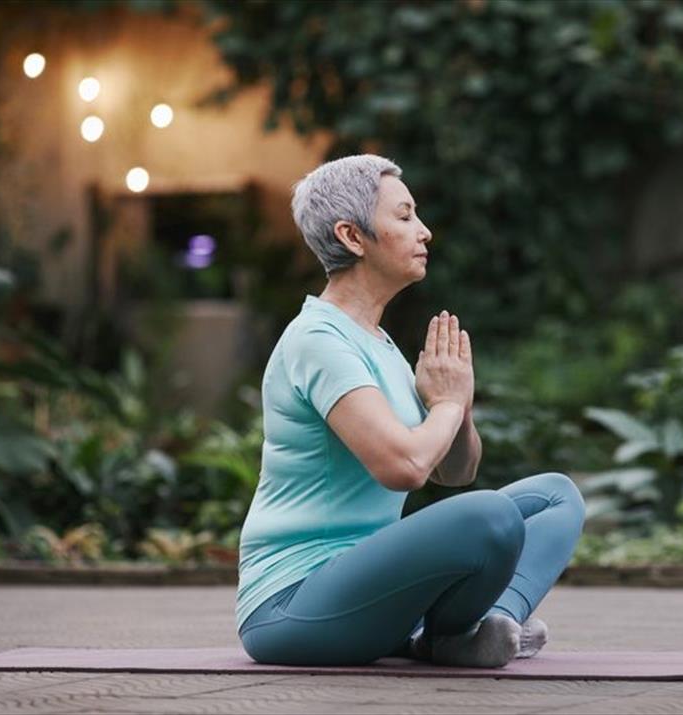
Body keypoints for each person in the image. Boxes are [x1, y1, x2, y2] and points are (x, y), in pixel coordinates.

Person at [235, 154, 587, 668]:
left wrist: (458, 404)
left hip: (368, 592)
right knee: (490, 515)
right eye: (404, 217)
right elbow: (404, 468)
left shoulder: (377, 342)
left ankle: (485, 628)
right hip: (292, 603)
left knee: (556, 496)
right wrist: (443, 403)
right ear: (353, 237)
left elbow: (454, 471)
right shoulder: (317, 340)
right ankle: (447, 637)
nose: (424, 232)